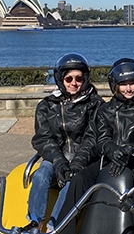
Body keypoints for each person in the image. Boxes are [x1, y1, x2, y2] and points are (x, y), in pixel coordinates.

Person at [58, 58, 134, 234]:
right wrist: (110, 148)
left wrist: (133, 149)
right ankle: (63, 229)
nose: (128, 89)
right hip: (108, 160)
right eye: (123, 84)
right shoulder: (105, 110)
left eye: (133, 83)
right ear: (115, 85)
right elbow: (100, 138)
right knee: (80, 179)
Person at [23, 53, 104, 233]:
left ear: (85, 79)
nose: (73, 83)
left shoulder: (95, 104)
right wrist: (59, 161)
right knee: (41, 174)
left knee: (72, 180)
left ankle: (56, 225)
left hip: (83, 158)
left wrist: (78, 162)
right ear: (60, 79)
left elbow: (94, 138)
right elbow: (43, 138)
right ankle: (36, 223)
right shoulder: (46, 105)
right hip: (56, 155)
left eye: (78, 78)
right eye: (68, 78)